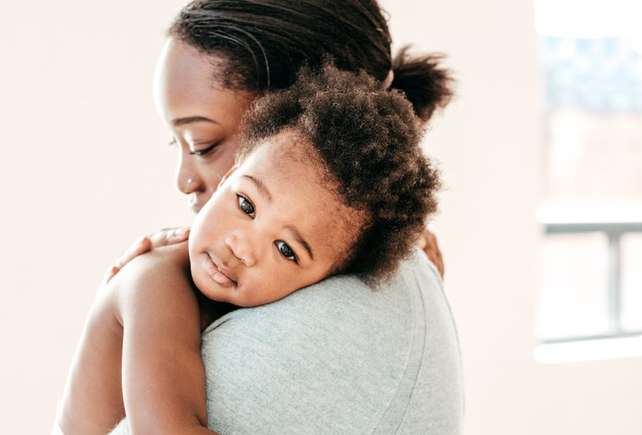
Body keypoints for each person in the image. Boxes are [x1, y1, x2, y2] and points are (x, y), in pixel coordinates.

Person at [56, 1, 463, 433]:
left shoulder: (361, 288)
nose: (183, 180)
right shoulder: (157, 279)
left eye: (203, 144)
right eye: (247, 204)